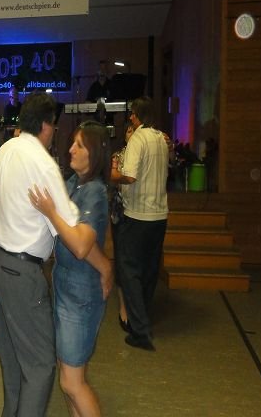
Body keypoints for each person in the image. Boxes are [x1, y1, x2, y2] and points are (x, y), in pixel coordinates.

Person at [0, 91, 79, 417]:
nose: (54, 132)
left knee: (14, 362)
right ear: (45, 125)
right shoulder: (43, 163)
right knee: (40, 366)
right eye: (54, 125)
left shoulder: (6, 149)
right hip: (22, 273)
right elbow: (70, 228)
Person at [29, 121, 113, 417]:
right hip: (65, 284)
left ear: (95, 153)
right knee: (69, 377)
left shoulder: (95, 192)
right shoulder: (74, 183)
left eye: (80, 145)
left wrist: (51, 212)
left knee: (71, 382)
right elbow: (80, 241)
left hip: (81, 293)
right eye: (72, 143)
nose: (71, 150)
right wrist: (105, 265)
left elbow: (79, 245)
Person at [110, 96, 169, 351]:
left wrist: (112, 175)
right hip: (160, 215)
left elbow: (130, 176)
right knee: (149, 271)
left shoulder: (137, 139)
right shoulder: (161, 139)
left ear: (137, 115)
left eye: (132, 113)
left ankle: (140, 330)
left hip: (138, 215)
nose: (130, 117)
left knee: (129, 271)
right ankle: (143, 319)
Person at [111, 121, 135, 332]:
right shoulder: (118, 155)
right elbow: (113, 178)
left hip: (140, 213)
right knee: (121, 261)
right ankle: (123, 308)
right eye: (128, 130)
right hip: (121, 212)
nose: (131, 133)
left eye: (133, 130)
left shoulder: (145, 153)